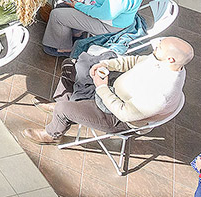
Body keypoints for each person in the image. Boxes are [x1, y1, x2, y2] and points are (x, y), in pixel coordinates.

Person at [22, 37, 192, 146]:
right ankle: (64, 108)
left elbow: (125, 113)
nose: (155, 47)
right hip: (112, 91)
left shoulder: (162, 93)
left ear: (171, 59)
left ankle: (53, 133)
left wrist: (101, 86)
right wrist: (106, 65)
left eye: (159, 47)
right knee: (70, 66)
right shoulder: (164, 62)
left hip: (117, 117)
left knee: (63, 110)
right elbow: (133, 61)